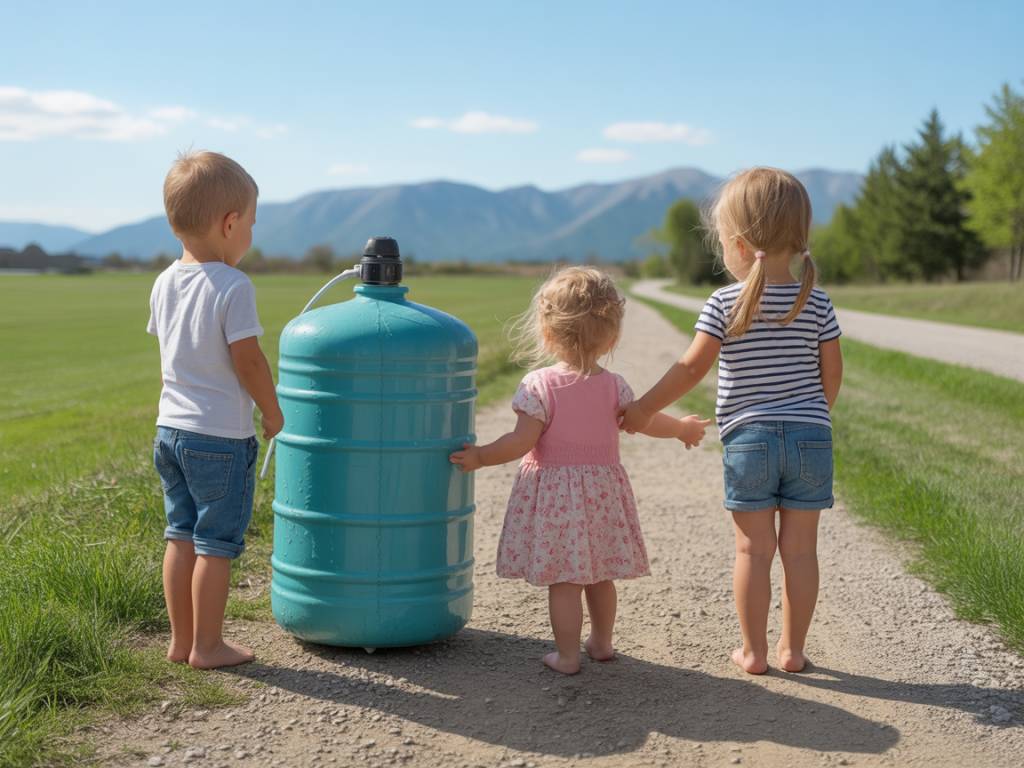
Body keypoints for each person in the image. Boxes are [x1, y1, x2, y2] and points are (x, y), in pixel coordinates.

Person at [620, 167, 844, 674]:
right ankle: (794, 651)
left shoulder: (724, 302)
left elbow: (691, 368)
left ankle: (754, 653)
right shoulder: (817, 301)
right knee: (801, 552)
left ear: (738, 244)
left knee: (753, 549)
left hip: (750, 441)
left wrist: (643, 410)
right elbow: (832, 375)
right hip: (812, 437)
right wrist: (811, 417)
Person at [451, 267, 710, 674]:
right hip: (602, 493)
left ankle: (567, 656)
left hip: (557, 500)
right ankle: (602, 643)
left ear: (547, 332)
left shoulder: (539, 386)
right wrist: (681, 429)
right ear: (612, 336)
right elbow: (647, 421)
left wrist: (481, 456)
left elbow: (520, 441)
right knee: (600, 575)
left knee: (565, 580)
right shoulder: (615, 387)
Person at [147, 150, 283, 669]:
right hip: (219, 439)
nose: (251, 233)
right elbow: (247, 361)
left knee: (179, 535)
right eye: (251, 223)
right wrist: (271, 412)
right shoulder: (233, 286)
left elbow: (170, 354)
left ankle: (180, 642)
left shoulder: (163, 282)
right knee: (216, 544)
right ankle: (208, 646)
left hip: (170, 430)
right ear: (230, 224)